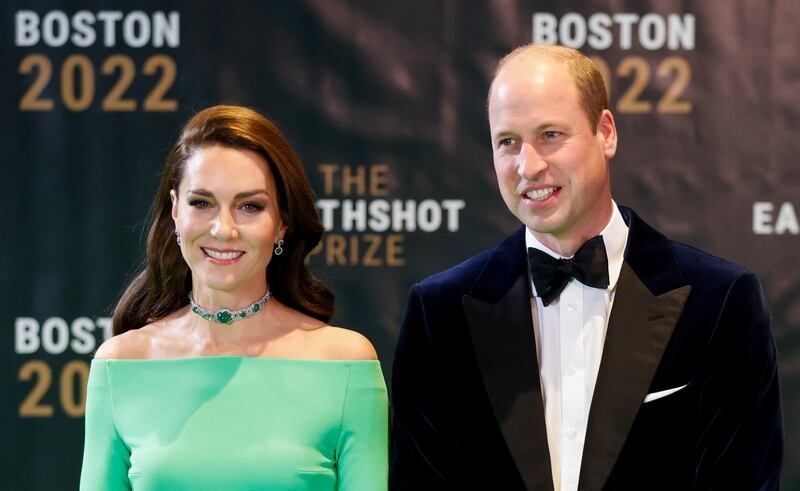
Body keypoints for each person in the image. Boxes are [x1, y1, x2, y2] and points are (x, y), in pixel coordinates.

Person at [390, 44, 782, 490]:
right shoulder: (439, 312)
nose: (528, 166)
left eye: (551, 135)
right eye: (508, 142)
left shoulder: (721, 301)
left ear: (606, 132)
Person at [80, 105, 388, 491]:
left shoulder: (347, 364)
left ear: (282, 223)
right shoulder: (120, 365)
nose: (223, 229)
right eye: (202, 203)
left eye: (249, 206)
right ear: (175, 210)